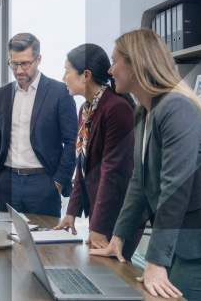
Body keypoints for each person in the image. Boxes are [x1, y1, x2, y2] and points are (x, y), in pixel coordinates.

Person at [90, 28, 201, 300]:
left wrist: (156, 261)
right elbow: (138, 183)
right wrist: (117, 238)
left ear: (136, 66)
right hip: (182, 241)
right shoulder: (144, 110)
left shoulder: (176, 108)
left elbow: (174, 189)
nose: (109, 69)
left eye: (115, 60)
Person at [53, 44, 144, 260]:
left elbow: (112, 173)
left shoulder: (116, 108)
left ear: (86, 75)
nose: (63, 77)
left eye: (67, 71)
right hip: (101, 211)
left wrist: (98, 226)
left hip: (119, 214)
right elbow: (82, 166)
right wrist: (71, 212)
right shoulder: (85, 110)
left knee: (115, 278)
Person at [0, 32, 77, 216]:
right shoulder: (2, 94)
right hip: (7, 182)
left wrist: (59, 182)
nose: (19, 70)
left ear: (38, 59)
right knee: (7, 242)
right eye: (14, 63)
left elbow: (71, 142)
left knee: (44, 243)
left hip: (43, 183)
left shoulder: (59, 92)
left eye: (25, 64)